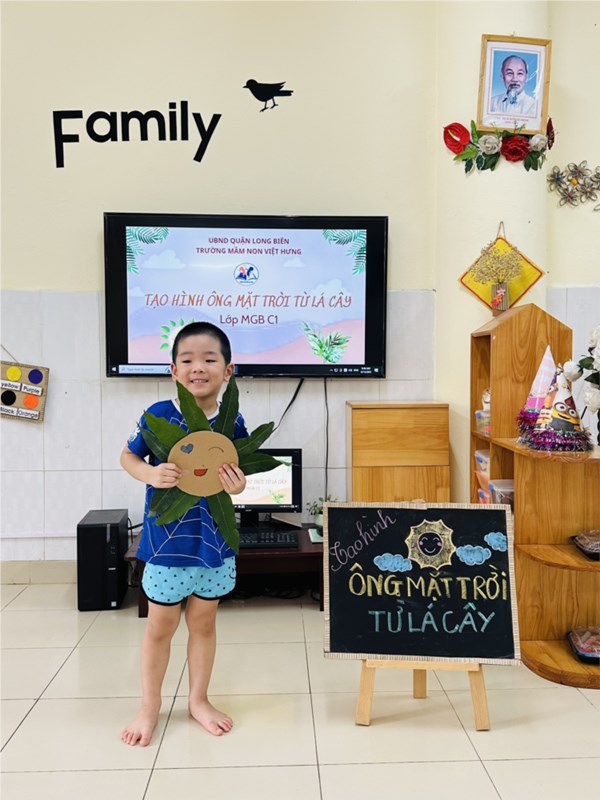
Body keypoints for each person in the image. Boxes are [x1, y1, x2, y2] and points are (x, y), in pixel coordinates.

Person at [120, 321, 247, 747]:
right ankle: (149, 706)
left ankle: (198, 700)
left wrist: (238, 486)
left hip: (214, 544)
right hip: (166, 544)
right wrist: (150, 474)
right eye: (187, 360)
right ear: (173, 370)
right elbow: (128, 456)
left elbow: (240, 475)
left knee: (204, 623)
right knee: (160, 626)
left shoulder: (233, 421)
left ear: (227, 370)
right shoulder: (158, 416)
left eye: (209, 359)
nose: (198, 367)